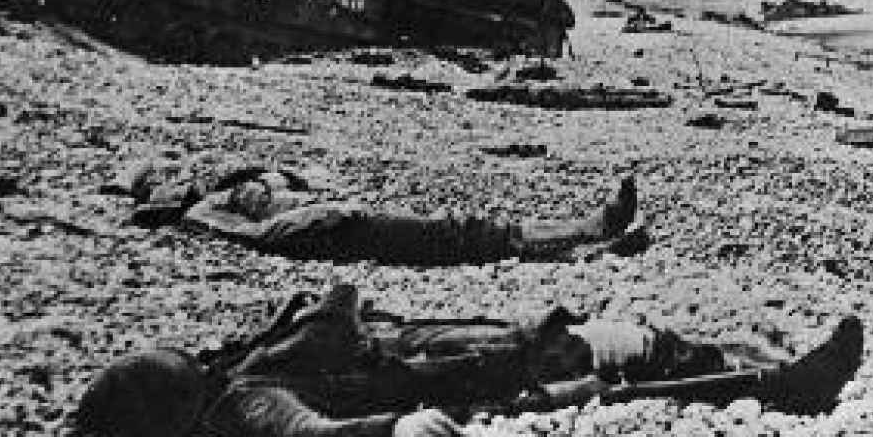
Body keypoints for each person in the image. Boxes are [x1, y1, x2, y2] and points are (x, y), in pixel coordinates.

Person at [74, 283, 865, 437]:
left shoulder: (236, 376)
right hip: (453, 384)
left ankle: (755, 366)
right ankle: (783, 389)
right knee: (611, 366)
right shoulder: (247, 404)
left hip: (438, 352)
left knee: (617, 344)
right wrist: (394, 430)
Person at [133, 173, 646, 266]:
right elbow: (263, 236)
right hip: (342, 231)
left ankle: (589, 241)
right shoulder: (204, 214)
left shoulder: (221, 194)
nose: (180, 178)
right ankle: (592, 232)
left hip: (342, 220)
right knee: (462, 235)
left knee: (464, 235)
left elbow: (279, 186)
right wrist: (325, 215)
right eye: (166, 182)